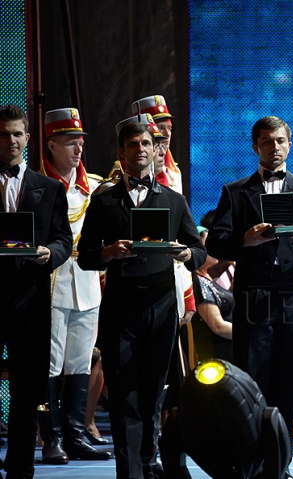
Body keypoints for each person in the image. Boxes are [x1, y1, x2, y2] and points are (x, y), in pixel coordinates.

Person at [206, 115, 293, 479]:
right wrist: (245, 241)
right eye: (267, 141)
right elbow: (217, 240)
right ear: (255, 146)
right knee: (253, 382)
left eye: (281, 141)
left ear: (290, 144)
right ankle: (250, 464)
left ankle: (280, 467)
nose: (275, 147)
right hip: (254, 299)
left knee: (288, 383)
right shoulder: (235, 191)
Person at [77, 121, 205, 479]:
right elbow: (85, 255)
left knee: (153, 391)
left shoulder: (174, 200)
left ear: (156, 149)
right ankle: (129, 472)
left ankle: (150, 464)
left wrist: (183, 253)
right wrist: (107, 252)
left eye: (147, 143)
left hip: (162, 303)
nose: (141, 150)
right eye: (133, 144)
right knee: (123, 394)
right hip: (121, 304)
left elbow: (199, 250)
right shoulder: (104, 199)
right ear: (122, 152)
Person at [0, 104, 73, 478]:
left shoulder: (49, 188)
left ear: (28, 138)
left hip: (31, 301)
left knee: (28, 393)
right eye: (3, 134)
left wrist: (50, 253)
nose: (10, 140)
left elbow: (64, 238)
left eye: (16, 133)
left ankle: (20, 469)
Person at [36, 108, 112, 464]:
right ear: (51, 145)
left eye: (80, 142)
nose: (78, 149)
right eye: (69, 143)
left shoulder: (95, 187)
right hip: (49, 282)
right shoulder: (37, 184)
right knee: (49, 364)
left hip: (86, 282)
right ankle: (50, 438)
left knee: (80, 362)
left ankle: (76, 435)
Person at [191, 224, 233, 362]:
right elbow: (217, 326)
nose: (214, 249)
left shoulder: (207, 278)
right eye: (208, 246)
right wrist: (251, 334)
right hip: (220, 357)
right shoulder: (198, 282)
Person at [132, 95, 181, 193]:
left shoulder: (174, 172)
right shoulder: (127, 172)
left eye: (169, 128)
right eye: (161, 128)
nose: (167, 134)